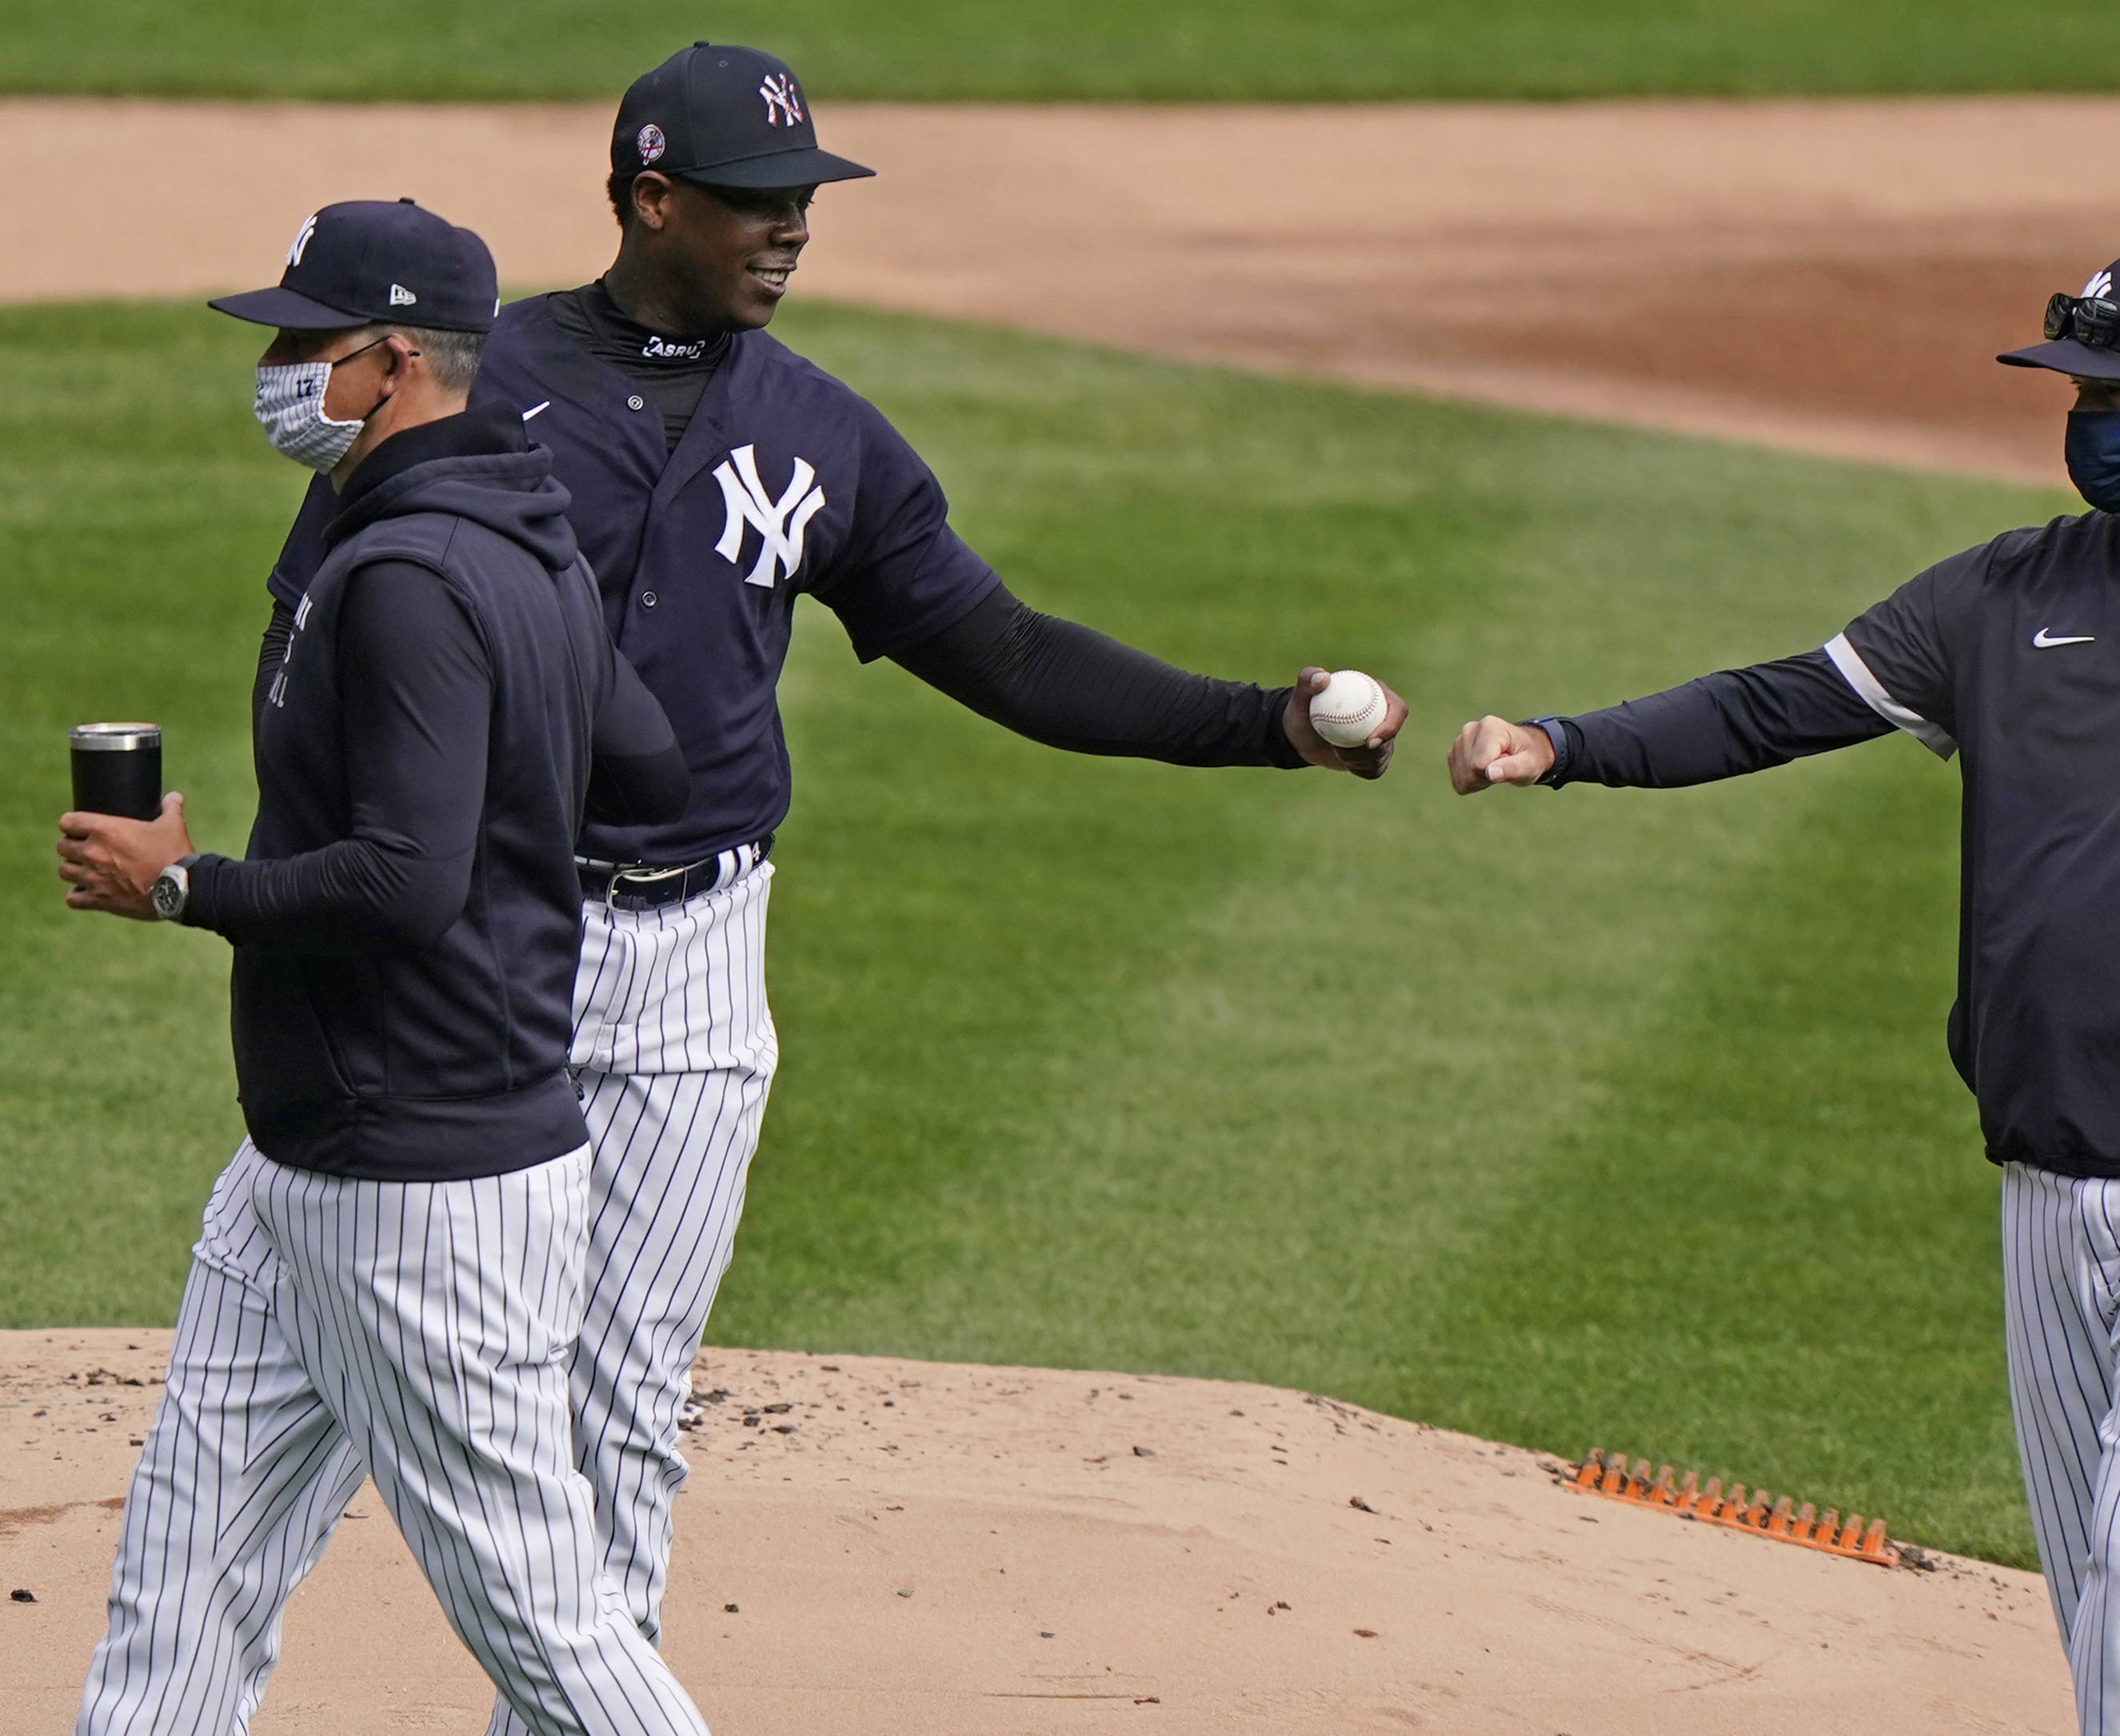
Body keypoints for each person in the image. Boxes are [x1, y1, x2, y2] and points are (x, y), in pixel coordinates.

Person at [264, 44, 1410, 1727]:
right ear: (651, 196)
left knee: (622, 1404)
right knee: (333, 1358)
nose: (792, 229)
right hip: (481, 935)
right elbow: (318, 626)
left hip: (700, 960)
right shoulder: (472, 385)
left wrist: (1261, 729)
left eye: (805, 199)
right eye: (755, 200)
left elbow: (1002, 650)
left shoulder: (816, 433)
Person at [1446, 249, 2120, 1736]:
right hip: (2045, 1165)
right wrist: (1561, 740)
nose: (2087, 422)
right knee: (2094, 1587)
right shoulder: (2004, 593)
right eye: (2077, 394)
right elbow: (1774, 705)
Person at [56, 200, 709, 1736]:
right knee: (186, 1573)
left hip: (416, 1181)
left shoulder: (414, 570)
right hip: (307, 1156)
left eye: (306, 341)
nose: (279, 367)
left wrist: (184, 888)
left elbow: (408, 884)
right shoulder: (518, 531)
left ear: (396, 360)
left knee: (545, 1628)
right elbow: (651, 768)